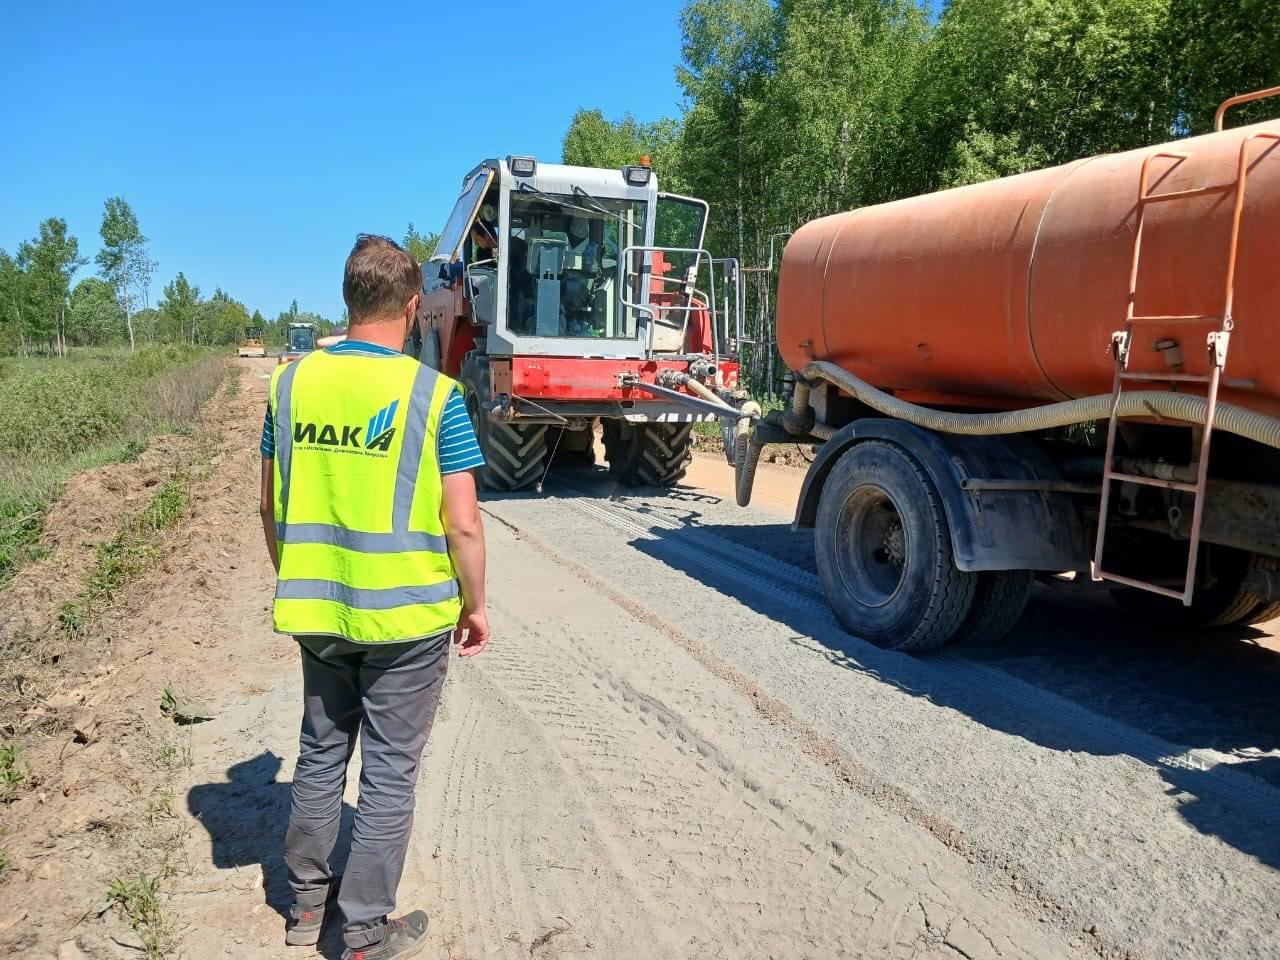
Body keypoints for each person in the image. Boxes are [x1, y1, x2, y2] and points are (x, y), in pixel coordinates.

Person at [259, 234, 490, 959]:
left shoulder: (289, 385)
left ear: (347, 300)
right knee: (390, 770)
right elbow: (463, 521)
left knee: (321, 752)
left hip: (318, 610)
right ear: (415, 307)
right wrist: (474, 604)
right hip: (408, 621)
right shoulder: (436, 396)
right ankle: (363, 931)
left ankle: (304, 909)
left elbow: (270, 506)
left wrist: (295, 572)